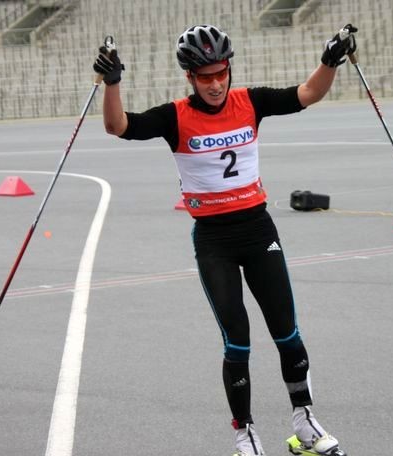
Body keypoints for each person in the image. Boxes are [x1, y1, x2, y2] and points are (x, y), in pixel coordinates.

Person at [93, 23, 357, 456]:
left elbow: (308, 93)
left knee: (287, 332)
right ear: (189, 77)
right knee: (237, 340)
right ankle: (245, 435)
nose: (215, 84)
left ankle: (305, 423)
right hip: (214, 241)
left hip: (258, 232)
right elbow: (117, 125)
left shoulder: (250, 101)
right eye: (205, 77)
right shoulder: (175, 116)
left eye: (221, 73)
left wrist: (330, 60)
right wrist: (113, 82)